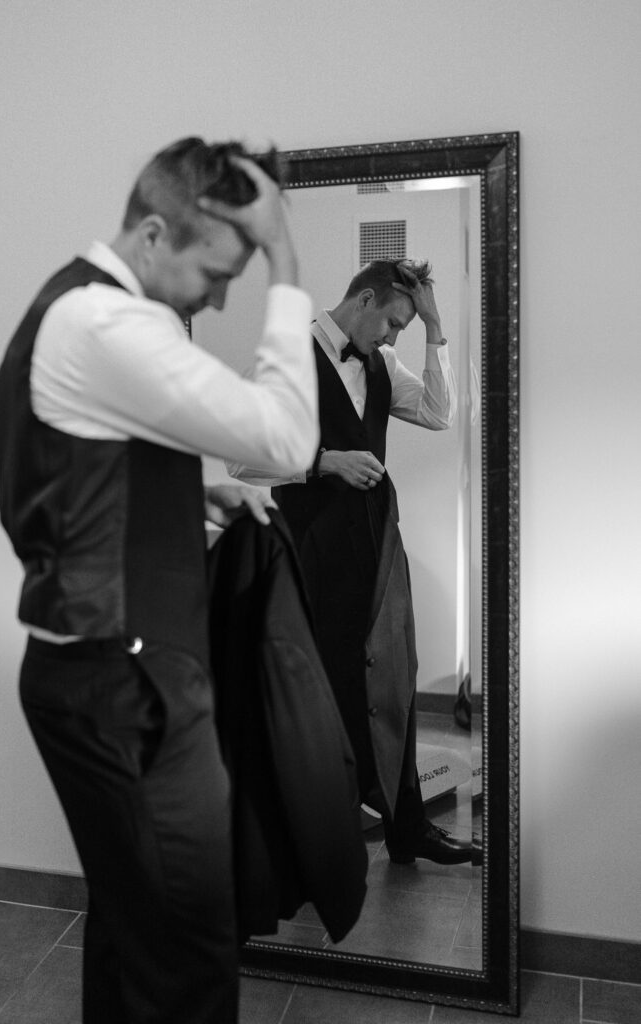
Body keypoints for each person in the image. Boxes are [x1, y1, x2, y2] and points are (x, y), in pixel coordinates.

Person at [0, 137, 319, 1024]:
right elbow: (288, 443)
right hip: (126, 686)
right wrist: (285, 257)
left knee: (136, 932)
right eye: (217, 270)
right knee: (188, 953)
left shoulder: (74, 307)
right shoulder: (106, 324)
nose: (219, 295)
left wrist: (185, 496)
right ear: (153, 234)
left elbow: (73, 468)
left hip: (98, 672)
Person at [229, 258, 471, 866]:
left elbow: (441, 415)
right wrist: (320, 463)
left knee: (394, 680)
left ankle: (406, 827)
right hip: (313, 549)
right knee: (327, 691)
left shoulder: (383, 363)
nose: (392, 338)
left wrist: (434, 329)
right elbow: (237, 456)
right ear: (362, 299)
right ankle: (319, 839)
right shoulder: (283, 358)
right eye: (391, 323)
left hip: (379, 546)